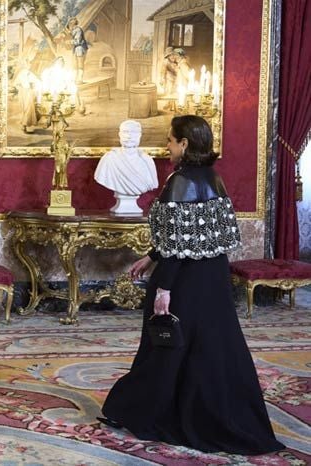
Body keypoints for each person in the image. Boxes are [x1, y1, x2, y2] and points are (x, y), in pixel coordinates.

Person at [99, 115, 285, 455]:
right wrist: (151, 256)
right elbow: (195, 234)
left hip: (182, 279)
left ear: (184, 144)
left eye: (170, 141)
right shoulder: (214, 179)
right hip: (212, 279)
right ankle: (216, 412)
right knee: (211, 348)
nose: (167, 147)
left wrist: (164, 289)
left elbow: (179, 242)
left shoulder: (179, 182)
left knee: (167, 345)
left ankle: (143, 410)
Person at [94, 120, 158, 214]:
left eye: (134, 133)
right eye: (125, 132)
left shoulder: (147, 161)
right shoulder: (109, 159)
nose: (129, 136)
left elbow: (153, 183)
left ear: (140, 135)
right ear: (119, 134)